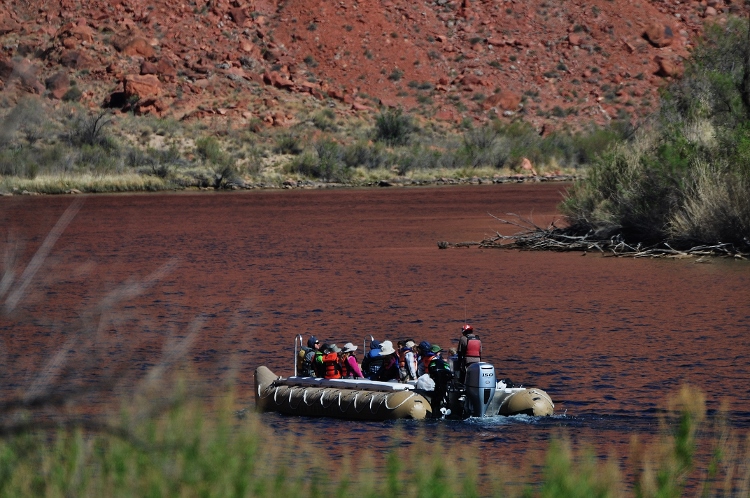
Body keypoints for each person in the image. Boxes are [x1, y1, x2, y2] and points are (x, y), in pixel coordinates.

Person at [428, 344, 453, 418]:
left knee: (437, 397)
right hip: (442, 383)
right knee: (442, 395)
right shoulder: (440, 362)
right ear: (437, 352)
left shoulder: (430, 361)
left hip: (436, 383)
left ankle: (436, 411)